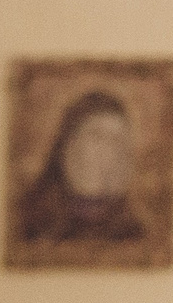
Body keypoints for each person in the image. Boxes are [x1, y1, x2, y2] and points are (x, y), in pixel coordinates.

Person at [17, 90, 146, 245]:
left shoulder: (132, 231)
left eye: (117, 141)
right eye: (97, 136)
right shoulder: (26, 217)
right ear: (68, 143)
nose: (108, 151)